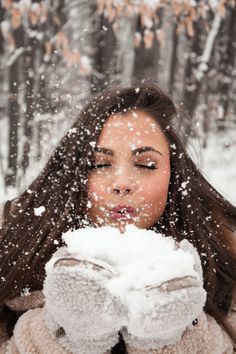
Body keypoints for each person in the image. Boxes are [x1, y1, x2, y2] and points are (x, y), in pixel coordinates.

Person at [0, 83, 235, 353]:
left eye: (146, 164)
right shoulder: (16, 246)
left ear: (174, 175)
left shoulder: (223, 257)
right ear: (74, 176)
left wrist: (173, 339)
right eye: (99, 164)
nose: (122, 183)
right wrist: (63, 334)